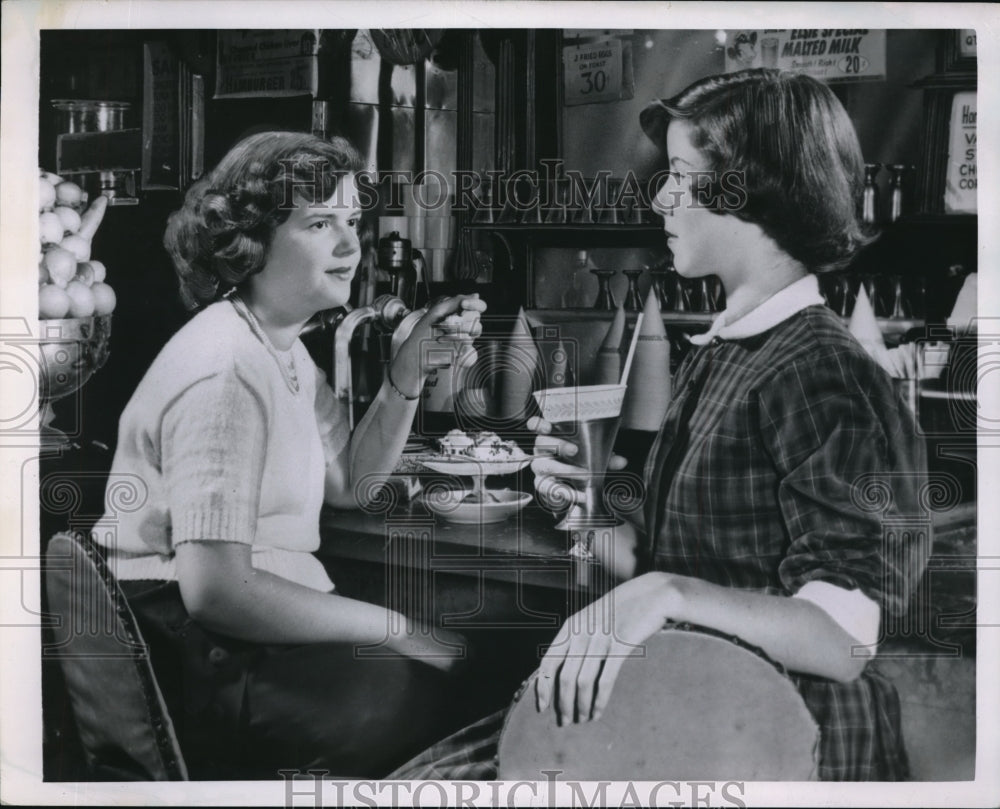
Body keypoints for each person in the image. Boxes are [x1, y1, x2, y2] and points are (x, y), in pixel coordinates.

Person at [390, 69, 927, 782]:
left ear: (747, 189)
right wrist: (587, 509)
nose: (661, 197)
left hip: (786, 741)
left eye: (679, 174)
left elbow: (841, 641)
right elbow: (671, 563)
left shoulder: (823, 373)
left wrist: (667, 592)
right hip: (692, 703)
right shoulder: (728, 350)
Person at [90, 131, 487, 779]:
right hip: (193, 654)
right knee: (432, 687)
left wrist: (407, 372)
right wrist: (393, 626)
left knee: (456, 667)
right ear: (249, 241)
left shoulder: (280, 346)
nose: (350, 245)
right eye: (320, 223)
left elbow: (352, 482)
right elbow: (217, 591)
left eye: (352, 221)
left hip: (239, 640)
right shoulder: (225, 368)